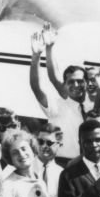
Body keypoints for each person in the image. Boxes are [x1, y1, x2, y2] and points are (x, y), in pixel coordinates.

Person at [28, 26, 89, 160]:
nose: (76, 85)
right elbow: (36, 87)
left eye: (80, 81)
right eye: (71, 82)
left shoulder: (90, 106)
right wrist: (37, 56)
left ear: (87, 83)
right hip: (62, 162)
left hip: (86, 165)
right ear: (65, 85)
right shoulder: (57, 105)